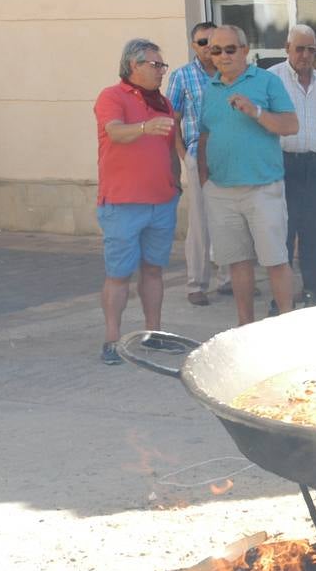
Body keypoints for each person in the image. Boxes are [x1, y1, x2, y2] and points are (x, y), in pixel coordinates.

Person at [196, 25, 299, 325]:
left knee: (275, 260)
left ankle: (287, 324)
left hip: (262, 188)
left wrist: (255, 111)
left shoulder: (267, 82)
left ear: (244, 50)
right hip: (221, 191)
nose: (223, 56)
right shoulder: (209, 90)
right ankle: (245, 328)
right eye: (216, 50)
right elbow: (204, 136)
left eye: (230, 49)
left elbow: (291, 125)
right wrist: (204, 180)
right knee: (238, 263)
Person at [93, 39, 183, 365]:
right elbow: (115, 132)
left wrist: (175, 184)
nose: (161, 71)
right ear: (135, 66)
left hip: (161, 201)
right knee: (119, 275)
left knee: (154, 271)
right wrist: (145, 127)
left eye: (163, 66)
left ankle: (153, 335)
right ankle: (112, 340)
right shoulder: (111, 97)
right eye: (155, 65)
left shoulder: (163, 102)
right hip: (123, 203)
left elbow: (171, 148)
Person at [268, 25, 316, 307]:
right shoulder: (271, 80)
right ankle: (281, 300)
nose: (305, 55)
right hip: (283, 164)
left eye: (311, 49)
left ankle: (314, 295)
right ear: (287, 48)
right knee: (283, 234)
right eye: (300, 48)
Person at [166, 21, 223, 306]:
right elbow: (172, 120)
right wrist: (182, 155)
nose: (208, 48)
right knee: (200, 222)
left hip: (227, 155)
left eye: (213, 43)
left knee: (228, 218)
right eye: (202, 42)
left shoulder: (229, 73)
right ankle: (196, 284)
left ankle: (226, 278)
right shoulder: (182, 76)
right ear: (193, 45)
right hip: (195, 154)